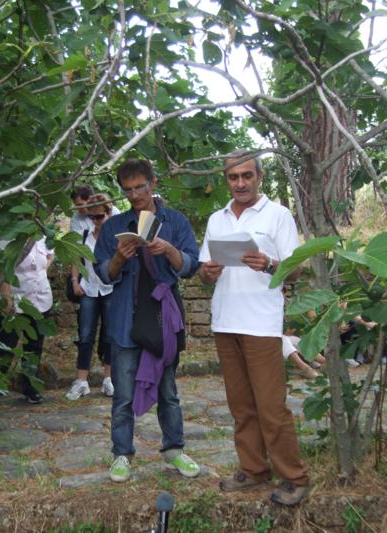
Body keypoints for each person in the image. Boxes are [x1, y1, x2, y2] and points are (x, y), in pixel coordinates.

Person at [198, 150, 309, 506]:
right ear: (226, 180)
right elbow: (204, 273)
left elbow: (295, 270)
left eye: (247, 175)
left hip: (261, 323)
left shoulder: (278, 215)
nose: (241, 183)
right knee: (241, 405)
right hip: (225, 320)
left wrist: (270, 263)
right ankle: (253, 469)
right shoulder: (216, 219)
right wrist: (207, 272)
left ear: (259, 176)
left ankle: (294, 477)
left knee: (271, 407)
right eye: (233, 177)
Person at [94, 158, 200, 483]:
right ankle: (122, 454)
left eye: (140, 187)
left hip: (162, 318)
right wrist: (118, 258)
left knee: (168, 390)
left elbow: (191, 266)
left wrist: (168, 250)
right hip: (125, 319)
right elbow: (104, 274)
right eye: (127, 190)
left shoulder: (174, 221)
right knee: (123, 394)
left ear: (153, 183)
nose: (135, 195)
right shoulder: (114, 226)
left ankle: (174, 449)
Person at [0, 239, 54, 406]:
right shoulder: (8, 240)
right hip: (16, 299)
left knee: (34, 347)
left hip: (40, 298)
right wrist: (7, 298)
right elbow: (0, 269)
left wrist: (41, 272)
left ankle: (30, 387)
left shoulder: (42, 237)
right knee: (6, 346)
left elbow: (50, 254)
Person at [66, 194, 115, 401]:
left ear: (108, 213)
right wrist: (75, 282)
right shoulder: (85, 235)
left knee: (110, 335)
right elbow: (76, 260)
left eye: (100, 216)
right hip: (88, 289)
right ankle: (81, 381)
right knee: (85, 335)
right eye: (93, 217)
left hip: (110, 290)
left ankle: (109, 379)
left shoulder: (115, 237)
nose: (96, 221)